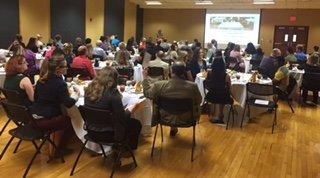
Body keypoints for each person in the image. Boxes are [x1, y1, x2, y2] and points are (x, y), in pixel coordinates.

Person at [84, 66, 142, 149]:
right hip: (110, 134)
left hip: (91, 131)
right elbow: (122, 119)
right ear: (114, 80)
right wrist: (130, 109)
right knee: (136, 124)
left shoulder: (88, 90)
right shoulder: (113, 94)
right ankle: (126, 150)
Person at [32, 57, 79, 157]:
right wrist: (77, 95)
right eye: (65, 66)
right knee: (70, 121)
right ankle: (57, 150)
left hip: (34, 116)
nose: (67, 68)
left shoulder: (41, 80)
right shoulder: (59, 83)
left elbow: (35, 98)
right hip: (46, 119)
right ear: (58, 69)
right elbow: (68, 103)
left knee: (63, 118)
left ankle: (55, 144)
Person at [142, 61, 202, 136]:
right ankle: (174, 127)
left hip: (164, 117)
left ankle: (173, 127)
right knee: (177, 107)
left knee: (171, 107)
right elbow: (199, 100)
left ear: (171, 71)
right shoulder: (193, 87)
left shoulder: (159, 85)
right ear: (184, 72)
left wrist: (144, 77)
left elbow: (147, 94)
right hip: (187, 118)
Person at [205, 55, 233, 124]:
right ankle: (221, 115)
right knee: (224, 93)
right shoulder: (226, 75)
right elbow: (229, 87)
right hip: (223, 97)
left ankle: (212, 115)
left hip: (211, 96)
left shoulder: (209, 73)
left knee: (220, 93)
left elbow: (206, 84)